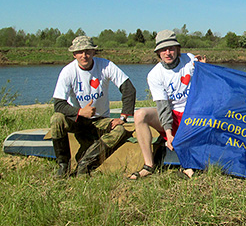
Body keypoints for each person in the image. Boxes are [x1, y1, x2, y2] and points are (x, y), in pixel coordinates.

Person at [50, 36, 136, 177]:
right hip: (77, 120)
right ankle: (63, 165)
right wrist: (80, 112)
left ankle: (85, 163)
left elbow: (128, 88)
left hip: (100, 120)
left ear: (94, 52)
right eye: (80, 52)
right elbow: (58, 104)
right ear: (74, 54)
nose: (84, 55)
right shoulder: (68, 72)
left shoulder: (106, 66)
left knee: (120, 130)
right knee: (57, 119)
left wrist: (123, 116)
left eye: (88, 51)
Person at [129, 30, 205, 180]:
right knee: (140, 115)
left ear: (177, 49)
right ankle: (149, 165)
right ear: (158, 53)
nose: (168, 52)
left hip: (193, 114)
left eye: (171, 48)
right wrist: (168, 133)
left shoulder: (189, 60)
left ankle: (189, 165)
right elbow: (163, 107)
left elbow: (206, 85)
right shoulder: (154, 75)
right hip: (172, 115)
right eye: (163, 50)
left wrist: (205, 68)